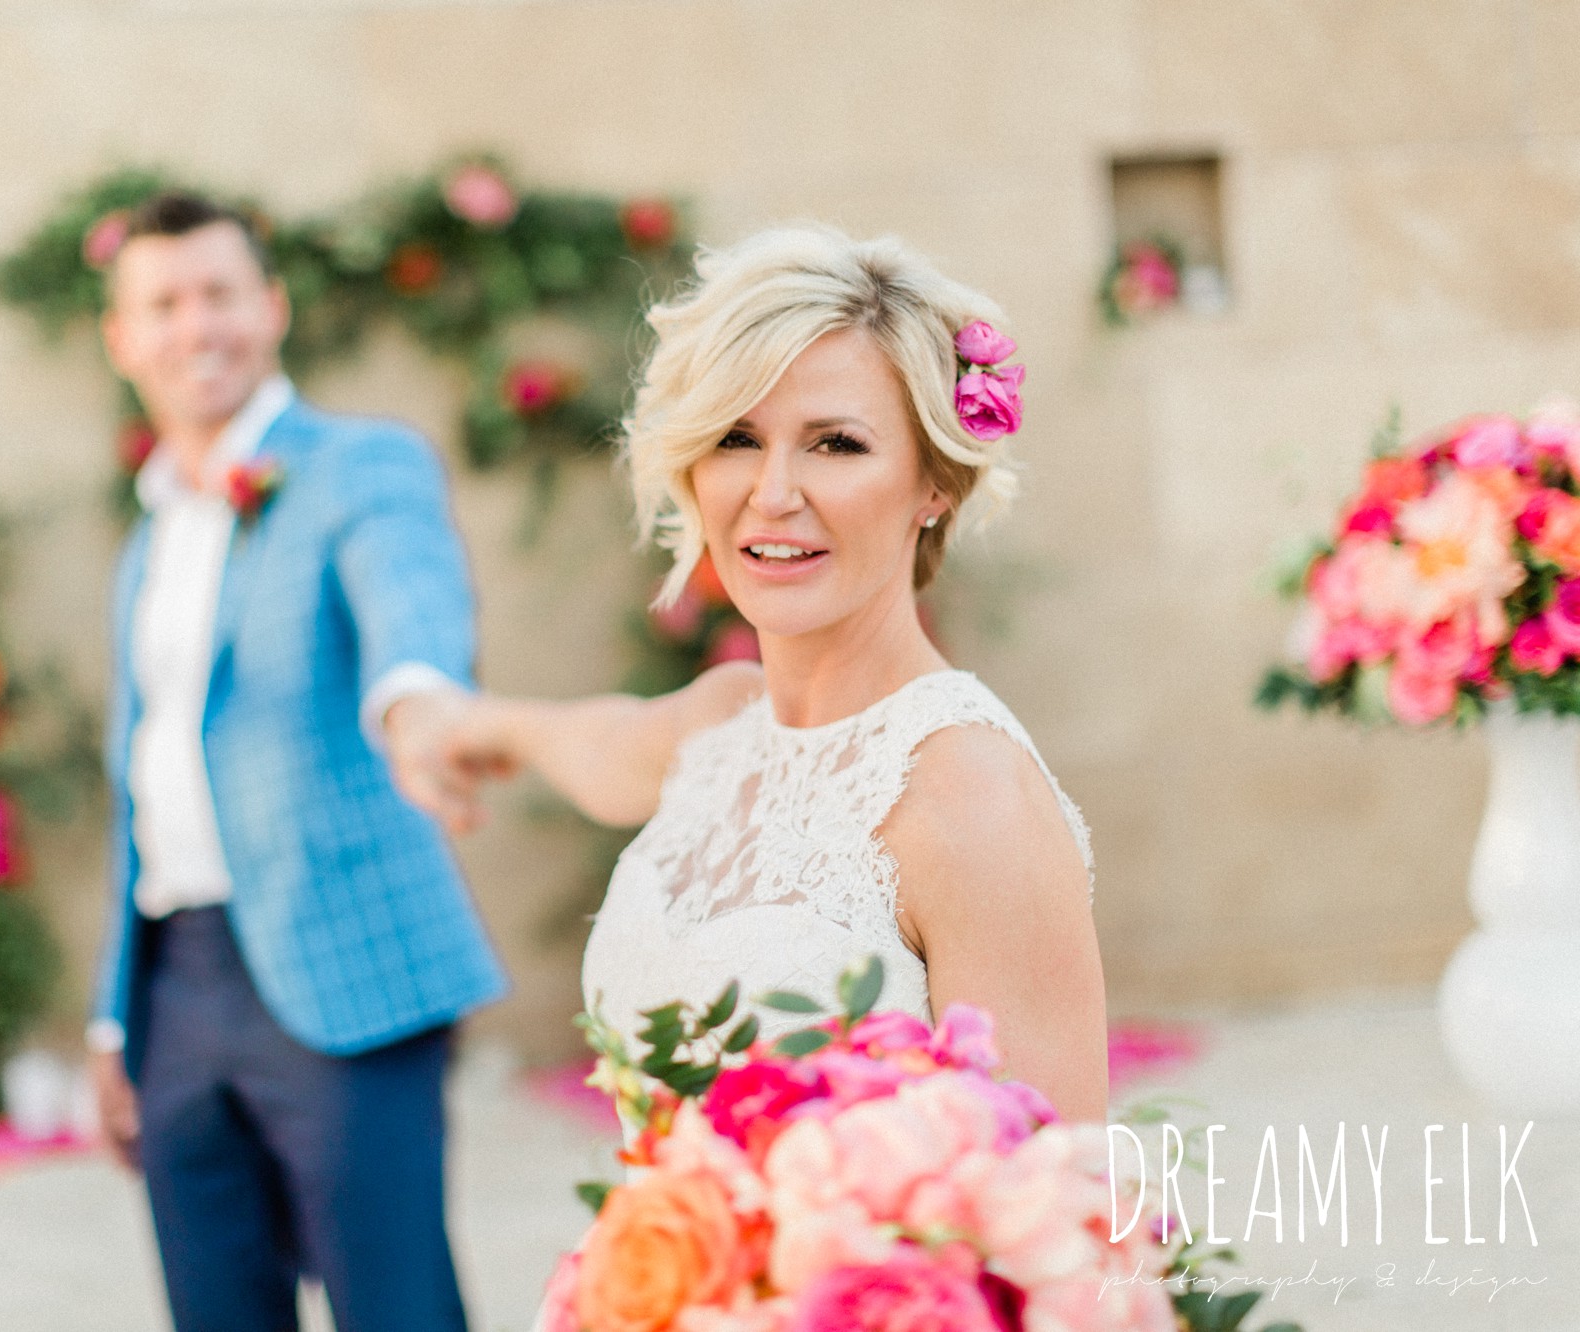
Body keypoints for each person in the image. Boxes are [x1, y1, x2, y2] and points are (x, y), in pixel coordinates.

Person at [389, 226, 1107, 1120]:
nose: (772, 493)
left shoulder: (970, 793)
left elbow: (1063, 1196)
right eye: (736, 438)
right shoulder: (719, 726)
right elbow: (591, 741)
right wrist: (453, 721)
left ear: (935, 484)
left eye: (835, 444)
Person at [84, 189, 505, 1332]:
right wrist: (113, 1019)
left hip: (342, 968)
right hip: (176, 985)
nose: (194, 326)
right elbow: (144, 780)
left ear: (269, 309)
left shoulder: (361, 467)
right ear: (123, 340)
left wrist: (417, 701)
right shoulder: (145, 539)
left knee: (397, 1312)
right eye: (162, 303)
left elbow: (405, 593)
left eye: (219, 293)